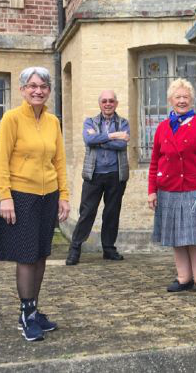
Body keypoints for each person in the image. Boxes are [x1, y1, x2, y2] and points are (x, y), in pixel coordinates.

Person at [0, 66, 70, 342]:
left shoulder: (53, 121)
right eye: (32, 86)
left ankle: (34, 311)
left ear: (49, 91)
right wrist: (5, 196)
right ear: (23, 89)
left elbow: (58, 160)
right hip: (20, 195)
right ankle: (25, 314)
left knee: (40, 254)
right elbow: (1, 160)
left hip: (48, 195)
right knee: (25, 255)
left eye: (43, 86)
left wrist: (64, 195)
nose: (38, 91)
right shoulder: (11, 119)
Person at [148, 78, 196, 294]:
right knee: (176, 238)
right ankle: (183, 277)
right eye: (178, 97)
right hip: (168, 189)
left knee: (195, 237)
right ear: (170, 100)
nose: (182, 101)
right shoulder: (162, 127)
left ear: (192, 100)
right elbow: (154, 161)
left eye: (186, 97)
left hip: (193, 189)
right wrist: (152, 191)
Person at [65, 90, 130, 265]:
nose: (107, 104)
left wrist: (100, 139)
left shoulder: (123, 122)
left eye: (111, 101)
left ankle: (109, 249)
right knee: (87, 213)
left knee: (111, 213)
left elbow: (122, 145)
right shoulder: (90, 122)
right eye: (104, 101)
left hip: (116, 175)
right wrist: (112, 135)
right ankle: (75, 249)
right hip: (93, 174)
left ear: (116, 103)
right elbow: (89, 140)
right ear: (100, 104)